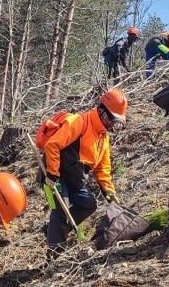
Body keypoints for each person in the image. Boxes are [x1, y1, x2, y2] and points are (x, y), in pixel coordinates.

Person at [42, 88, 127, 256]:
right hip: (55, 176)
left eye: (116, 121)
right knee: (60, 207)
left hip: (76, 180)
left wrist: (108, 190)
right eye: (112, 119)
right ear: (102, 110)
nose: (112, 124)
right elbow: (52, 145)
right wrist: (52, 174)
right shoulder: (79, 122)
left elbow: (103, 167)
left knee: (88, 204)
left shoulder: (104, 137)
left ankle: (52, 229)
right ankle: (55, 254)